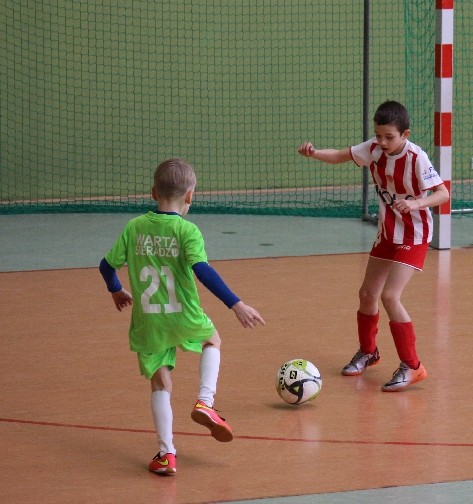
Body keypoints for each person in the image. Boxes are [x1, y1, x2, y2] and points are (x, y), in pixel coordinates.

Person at [98, 158, 266, 475]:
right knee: (212, 340)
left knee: (160, 382)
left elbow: (106, 266)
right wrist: (236, 304)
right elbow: (203, 271)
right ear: (190, 196)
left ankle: (166, 454)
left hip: (148, 321)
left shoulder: (134, 227)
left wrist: (117, 290)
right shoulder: (186, 230)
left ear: (153, 193)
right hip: (184, 314)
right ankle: (205, 401)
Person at [297, 100, 449, 392]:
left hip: (414, 235)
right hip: (388, 231)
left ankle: (413, 366)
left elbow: (443, 194)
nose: (382, 142)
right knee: (367, 294)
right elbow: (339, 156)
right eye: (378, 135)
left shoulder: (417, 158)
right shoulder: (374, 149)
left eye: (389, 137)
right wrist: (314, 153)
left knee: (390, 296)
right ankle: (368, 352)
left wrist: (416, 203)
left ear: (405, 135)